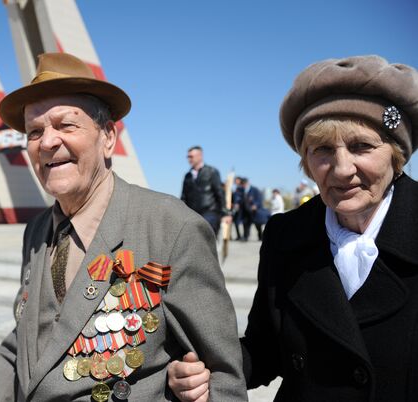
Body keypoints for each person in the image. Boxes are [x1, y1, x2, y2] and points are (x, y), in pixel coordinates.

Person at [0, 53, 247, 402]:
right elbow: (23, 343)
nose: (47, 142)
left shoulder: (171, 227)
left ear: (107, 137)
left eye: (66, 125)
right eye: (34, 132)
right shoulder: (36, 231)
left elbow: (222, 377)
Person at [167, 55, 418, 402]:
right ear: (307, 162)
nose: (342, 169)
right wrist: (208, 371)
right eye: (323, 150)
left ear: (396, 154)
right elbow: (265, 350)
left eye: (362, 146)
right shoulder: (285, 235)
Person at [180, 146, 230, 235]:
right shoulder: (187, 176)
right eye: (188, 157)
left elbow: (219, 193)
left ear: (200, 156)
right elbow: (184, 197)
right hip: (193, 214)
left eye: (191, 156)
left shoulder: (211, 171)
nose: (189, 159)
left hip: (210, 213)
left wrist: (225, 213)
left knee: (207, 241)